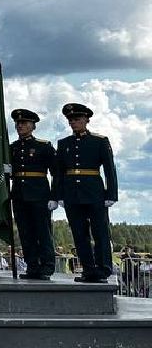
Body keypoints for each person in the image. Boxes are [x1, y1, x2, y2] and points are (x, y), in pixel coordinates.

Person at [54, 103, 117, 283]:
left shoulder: (99, 141)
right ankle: (88, 269)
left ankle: (103, 269)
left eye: (77, 119)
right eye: (71, 120)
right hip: (72, 194)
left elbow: (109, 169)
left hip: (94, 192)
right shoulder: (64, 143)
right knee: (79, 233)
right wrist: (59, 195)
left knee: (100, 233)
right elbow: (59, 171)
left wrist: (111, 194)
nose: (74, 123)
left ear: (86, 120)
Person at [9, 109, 58, 280]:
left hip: (39, 194)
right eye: (18, 123)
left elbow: (56, 172)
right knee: (25, 232)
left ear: (33, 126)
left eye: (24, 123)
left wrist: (54, 196)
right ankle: (32, 265)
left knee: (42, 232)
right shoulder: (12, 147)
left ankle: (46, 266)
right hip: (19, 195)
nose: (20, 125)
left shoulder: (43, 146)